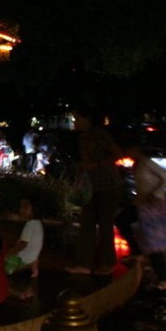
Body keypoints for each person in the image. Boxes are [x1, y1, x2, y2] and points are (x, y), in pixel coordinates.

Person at [66, 107, 124, 276]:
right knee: (87, 223)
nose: (75, 122)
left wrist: (96, 165)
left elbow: (117, 154)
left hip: (107, 185)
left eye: (77, 119)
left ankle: (108, 262)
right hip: (92, 185)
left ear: (87, 119)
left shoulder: (99, 134)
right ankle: (84, 264)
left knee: (105, 224)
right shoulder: (83, 137)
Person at [121, 139, 166, 290]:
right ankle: (137, 252)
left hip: (153, 206)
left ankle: (165, 277)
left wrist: (156, 193)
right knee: (122, 221)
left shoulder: (146, 163)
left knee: (153, 243)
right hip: (143, 204)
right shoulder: (137, 164)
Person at [5, 195, 44, 280]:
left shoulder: (30, 225)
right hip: (32, 258)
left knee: (0, 267)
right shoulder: (38, 223)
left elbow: (22, 245)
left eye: (26, 208)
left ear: (34, 210)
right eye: (21, 207)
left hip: (23, 259)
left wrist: (9, 254)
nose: (22, 210)